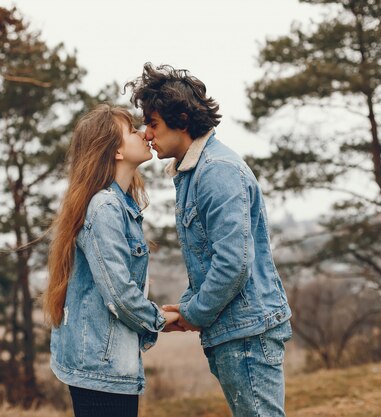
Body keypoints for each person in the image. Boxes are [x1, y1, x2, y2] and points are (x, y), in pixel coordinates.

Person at [126, 64, 293, 417]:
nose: (147, 134)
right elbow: (208, 260)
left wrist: (194, 313)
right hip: (236, 330)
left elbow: (233, 264)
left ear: (182, 120)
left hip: (247, 332)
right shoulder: (194, 173)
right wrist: (186, 306)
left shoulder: (216, 172)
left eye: (153, 123)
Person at [44, 104, 180, 417]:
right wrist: (161, 319)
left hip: (105, 364)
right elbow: (119, 294)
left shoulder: (120, 206)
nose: (144, 134)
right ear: (116, 151)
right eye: (132, 131)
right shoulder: (105, 207)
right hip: (99, 367)